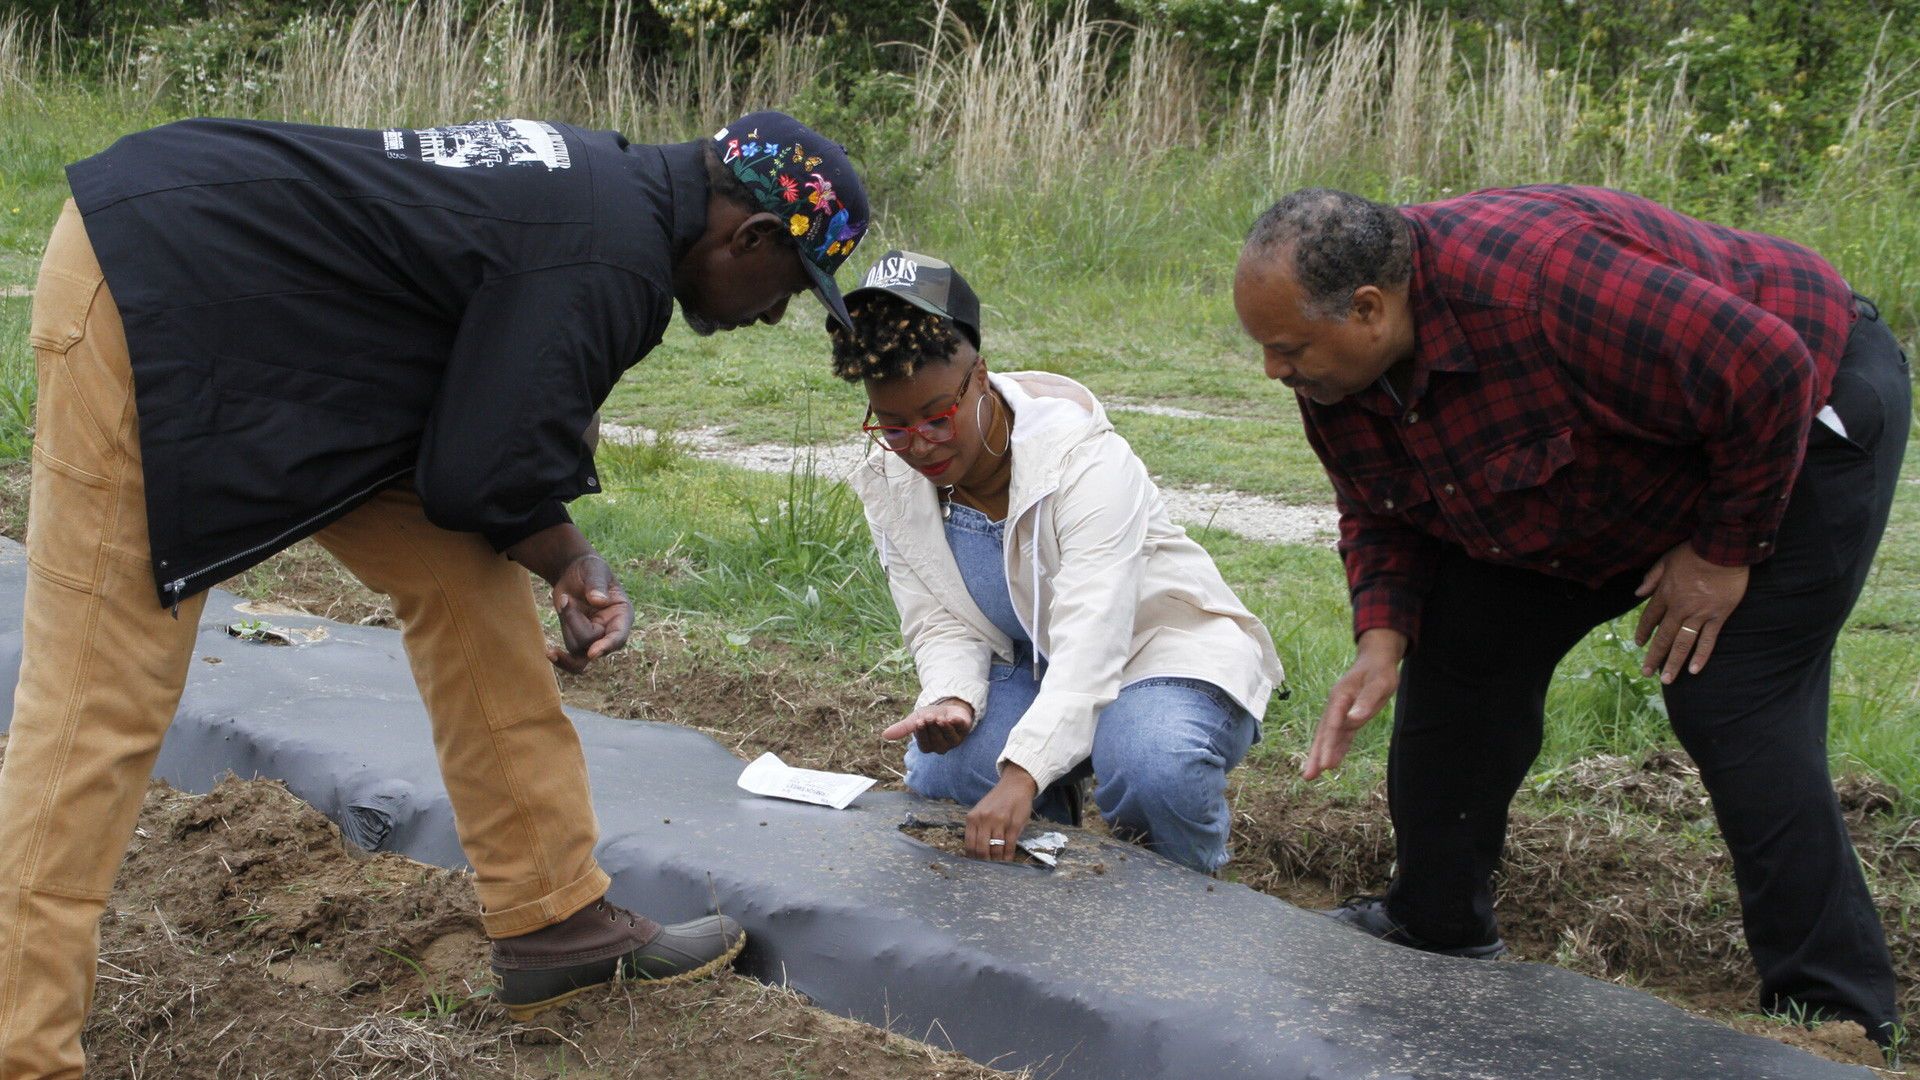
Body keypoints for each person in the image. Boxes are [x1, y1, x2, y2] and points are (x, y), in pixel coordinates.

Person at [0, 109, 869, 1074]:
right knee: (98, 697)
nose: (774, 313)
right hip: (160, 282)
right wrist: (564, 543)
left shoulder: (602, 199)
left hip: (300, 340)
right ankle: (23, 1049)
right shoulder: (611, 256)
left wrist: (564, 556)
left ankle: (554, 918)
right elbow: (477, 473)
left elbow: (482, 435)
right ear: (746, 237)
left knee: (468, 587)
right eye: (789, 285)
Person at [1232, 185, 1906, 1041]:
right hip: (1608, 466)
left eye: (1286, 349)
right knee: (1465, 647)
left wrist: (1723, 551)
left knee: (1729, 693)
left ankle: (1833, 1014)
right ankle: (1434, 922)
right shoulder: (1338, 367)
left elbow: (1766, 368)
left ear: (1368, 308)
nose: (1273, 372)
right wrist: (1381, 635)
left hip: (1803, 408)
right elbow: (1381, 505)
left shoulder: (1542, 286)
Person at [833, 250, 1285, 874]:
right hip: (1038, 661)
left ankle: (1192, 907)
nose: (920, 446)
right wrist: (953, 697)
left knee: (1154, 765)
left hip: (1159, 651)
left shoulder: (1084, 462)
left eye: (937, 417)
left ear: (981, 378)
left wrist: (1022, 773)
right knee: (947, 768)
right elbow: (941, 619)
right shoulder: (890, 479)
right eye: (893, 426)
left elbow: (1094, 637)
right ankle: (1048, 881)